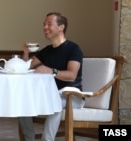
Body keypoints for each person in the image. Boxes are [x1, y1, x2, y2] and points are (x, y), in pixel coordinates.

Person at [18, 12, 84, 141]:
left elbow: (72, 75)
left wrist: (52, 71)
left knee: (55, 102)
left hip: (71, 97)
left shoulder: (73, 49)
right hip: (49, 95)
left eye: (49, 24)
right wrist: (25, 54)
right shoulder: (47, 50)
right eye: (44, 25)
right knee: (22, 101)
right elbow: (26, 67)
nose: (45, 28)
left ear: (61, 27)